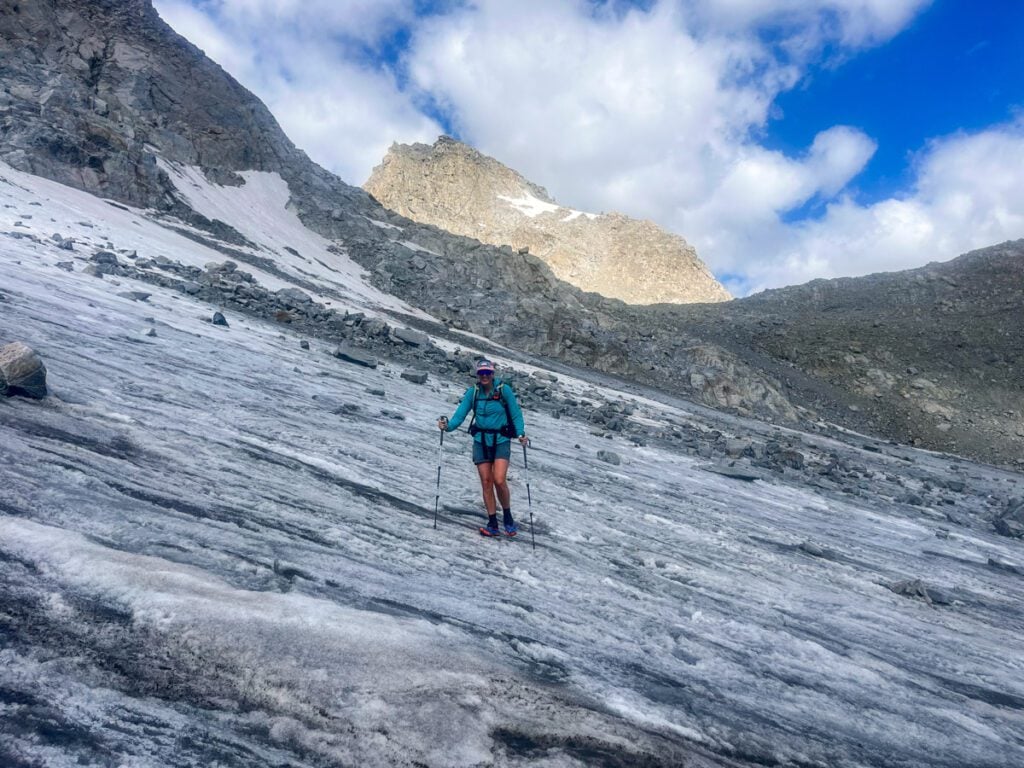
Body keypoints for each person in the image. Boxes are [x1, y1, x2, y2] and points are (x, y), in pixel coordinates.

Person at [438, 359, 528, 537]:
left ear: (493, 374)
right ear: (478, 375)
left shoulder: (504, 391)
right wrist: (447, 426)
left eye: (488, 373)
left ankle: (508, 518)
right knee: (486, 482)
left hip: (501, 440)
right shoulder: (473, 393)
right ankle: (493, 523)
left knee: (499, 480)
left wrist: (520, 434)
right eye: (481, 373)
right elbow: (459, 415)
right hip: (480, 440)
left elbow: (516, 414)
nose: (485, 376)